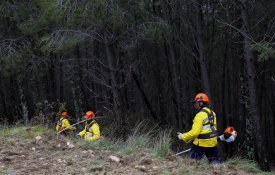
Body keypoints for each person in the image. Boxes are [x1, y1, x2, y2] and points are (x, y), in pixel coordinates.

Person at [177, 93, 220, 163]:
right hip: (212, 142)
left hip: (201, 144)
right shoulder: (213, 113)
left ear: (201, 103)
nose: (194, 105)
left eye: (196, 103)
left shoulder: (199, 115)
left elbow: (195, 133)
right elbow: (211, 129)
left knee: (191, 163)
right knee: (215, 163)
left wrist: (182, 136)